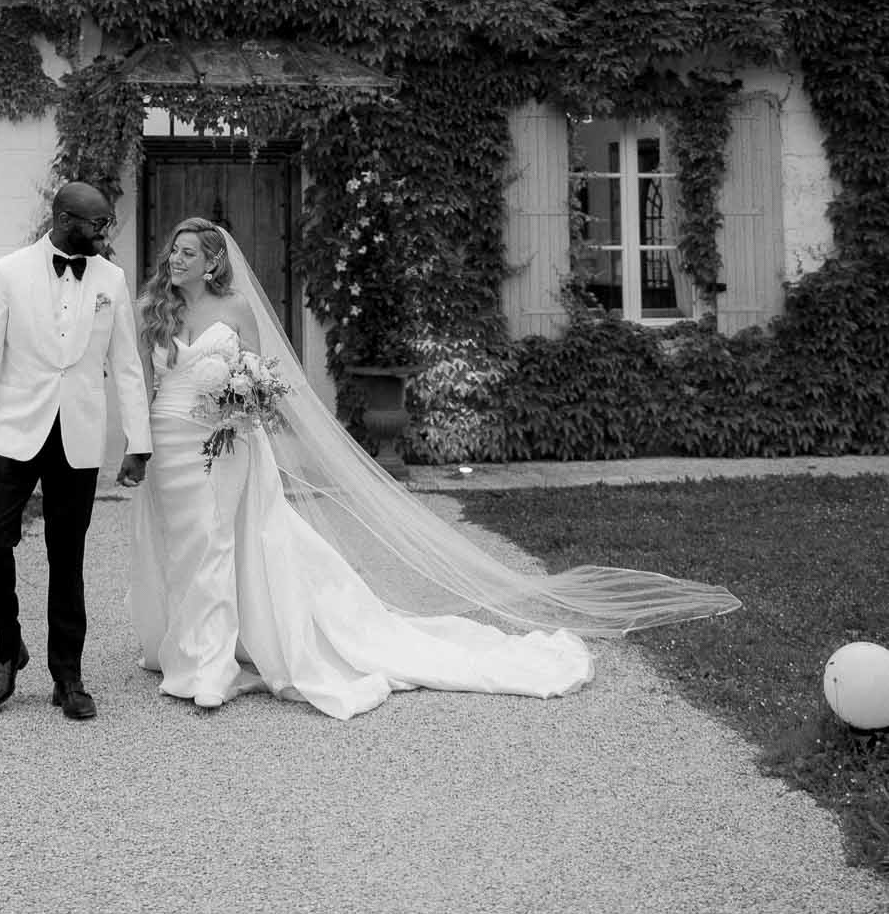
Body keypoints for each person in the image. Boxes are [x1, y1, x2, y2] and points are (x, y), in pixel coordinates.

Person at [129, 216, 741, 721]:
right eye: (173, 251)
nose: (175, 260)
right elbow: (141, 382)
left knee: (214, 544)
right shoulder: (157, 308)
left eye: (187, 253)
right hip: (170, 442)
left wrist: (241, 406)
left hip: (227, 445)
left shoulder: (236, 308)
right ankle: (185, 641)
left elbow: (259, 379)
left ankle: (208, 668)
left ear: (212, 262)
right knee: (182, 545)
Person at [0, 182, 152, 720]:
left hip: (79, 437)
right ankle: (8, 646)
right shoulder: (9, 272)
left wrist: (138, 443)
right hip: (13, 433)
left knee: (67, 558)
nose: (105, 232)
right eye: (99, 224)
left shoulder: (111, 280)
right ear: (67, 219)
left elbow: (128, 367)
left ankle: (68, 675)